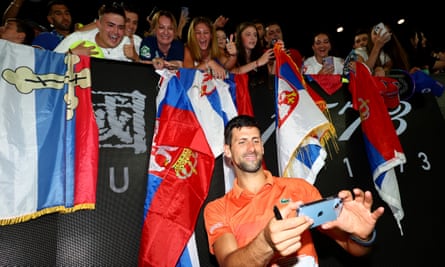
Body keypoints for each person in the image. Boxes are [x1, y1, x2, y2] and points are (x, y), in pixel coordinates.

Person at [204, 114, 385, 266]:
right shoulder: (217, 209)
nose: (251, 148)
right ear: (227, 151)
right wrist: (266, 242)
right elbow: (228, 262)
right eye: (242, 142)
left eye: (255, 140)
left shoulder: (299, 188)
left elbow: (352, 247)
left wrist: (361, 235)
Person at [54, 2, 137, 62]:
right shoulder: (77, 38)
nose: (116, 32)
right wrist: (71, 53)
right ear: (98, 25)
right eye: (110, 25)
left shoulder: (127, 43)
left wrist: (135, 58)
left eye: (120, 27)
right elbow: (47, 63)